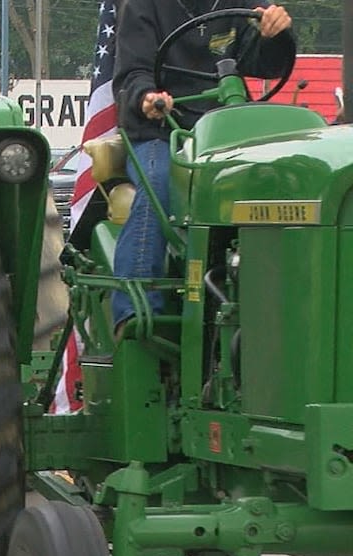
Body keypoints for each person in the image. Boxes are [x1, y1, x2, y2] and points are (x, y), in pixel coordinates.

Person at [111, 0, 293, 335]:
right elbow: (132, 72)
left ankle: (285, 298)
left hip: (226, 133)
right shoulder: (144, 6)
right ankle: (133, 308)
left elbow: (265, 63)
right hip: (163, 130)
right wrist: (146, 96)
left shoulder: (236, 4)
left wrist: (274, 33)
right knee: (159, 183)